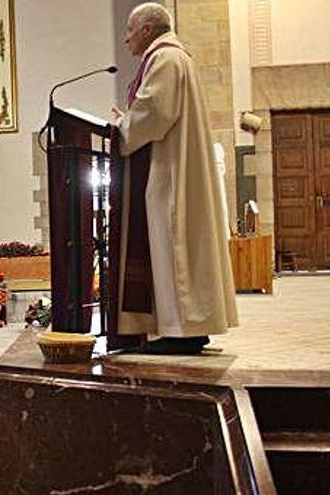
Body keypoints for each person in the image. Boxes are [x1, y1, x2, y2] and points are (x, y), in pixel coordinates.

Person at [112, 3, 237, 354]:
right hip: (174, 163)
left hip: (171, 173)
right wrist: (130, 121)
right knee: (177, 247)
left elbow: (156, 112)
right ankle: (190, 328)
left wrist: (122, 127)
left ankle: (179, 331)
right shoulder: (175, 57)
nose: (126, 39)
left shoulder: (165, 59)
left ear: (148, 29)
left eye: (131, 31)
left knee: (172, 245)